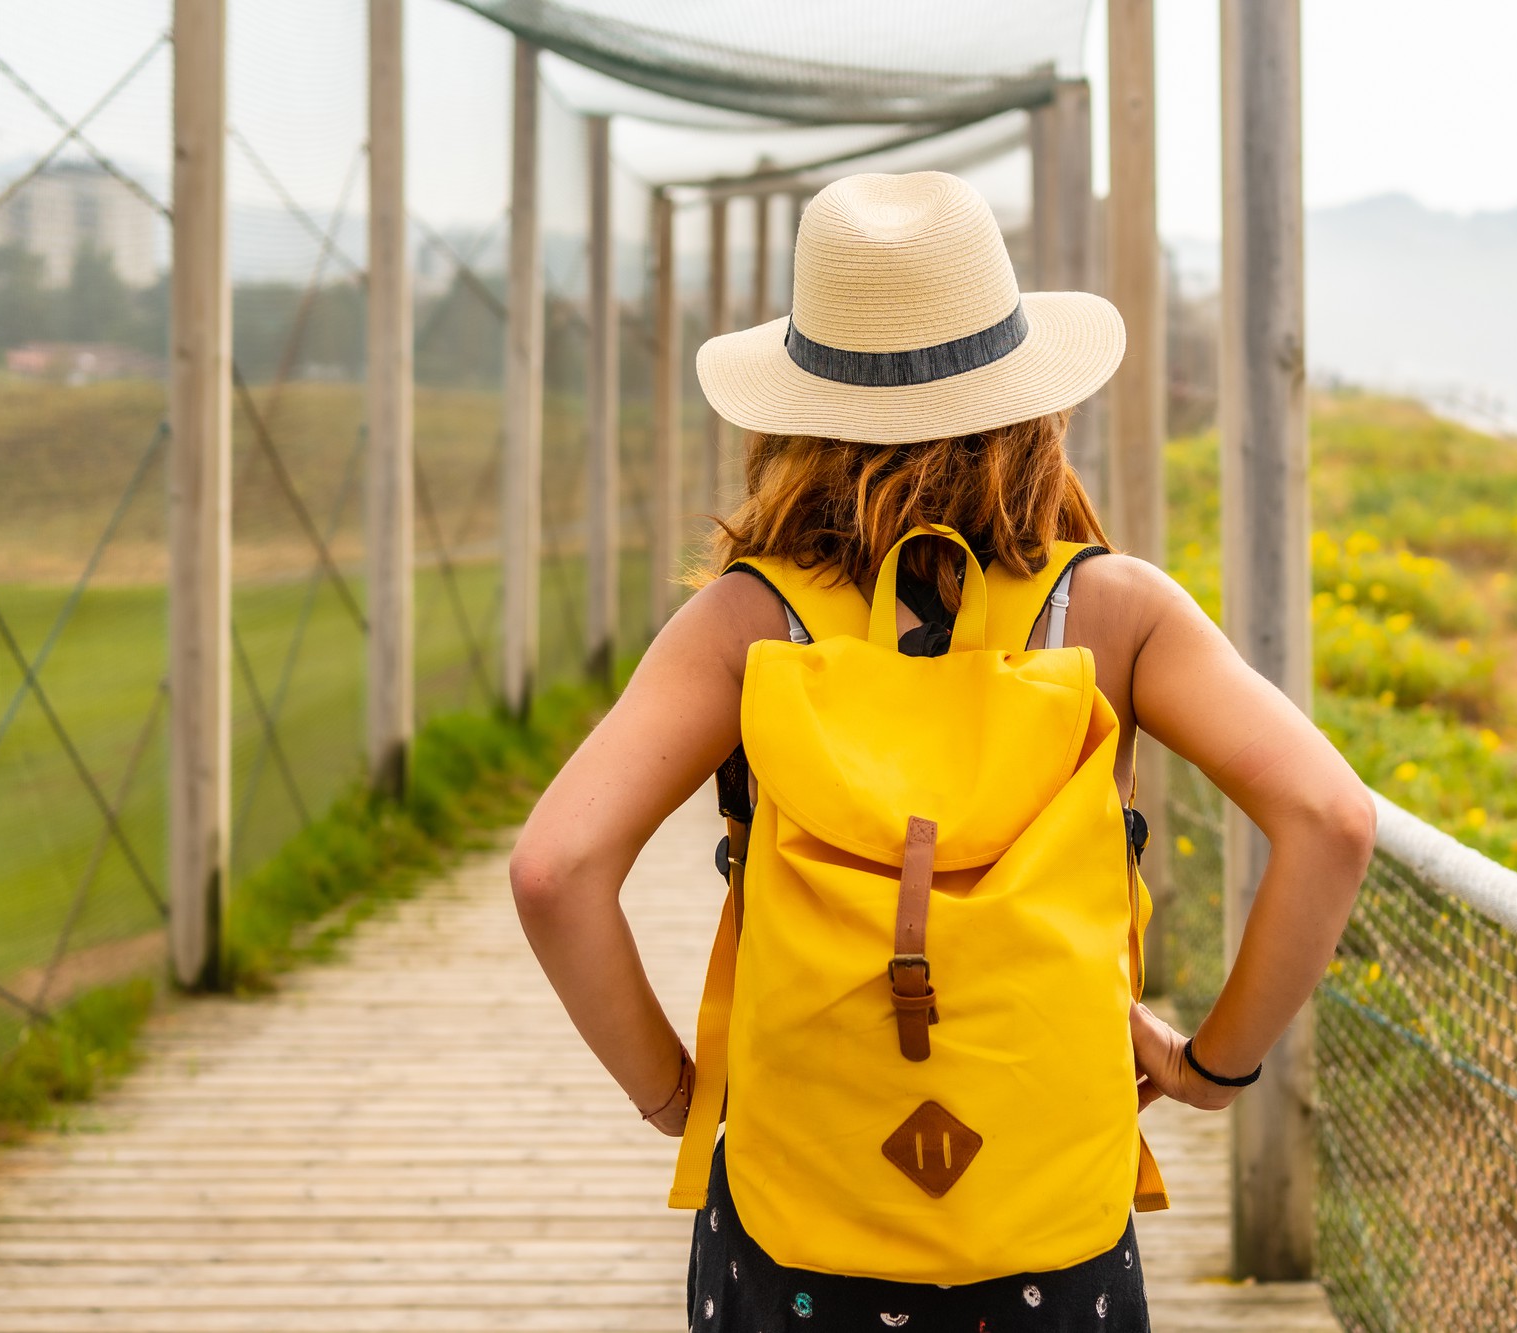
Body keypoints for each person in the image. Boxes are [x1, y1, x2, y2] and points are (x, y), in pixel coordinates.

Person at [509, 171, 1375, 1331]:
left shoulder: (746, 620)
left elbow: (553, 871)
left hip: (794, 1229)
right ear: (1028, 398)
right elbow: (1331, 820)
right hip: (1050, 1227)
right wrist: (1210, 1069)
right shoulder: (1110, 611)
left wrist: (675, 1089)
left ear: (798, 410)